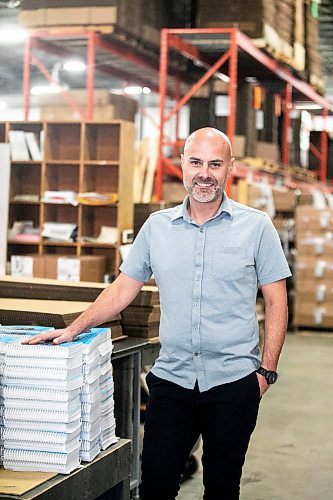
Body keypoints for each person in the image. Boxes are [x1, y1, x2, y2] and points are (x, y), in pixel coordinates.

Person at [25, 127, 291, 499]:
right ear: (182, 163)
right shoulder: (157, 227)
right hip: (173, 381)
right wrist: (74, 328)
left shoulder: (256, 227)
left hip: (234, 382)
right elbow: (122, 288)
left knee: (222, 488)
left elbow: (277, 300)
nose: (205, 173)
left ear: (230, 167)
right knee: (156, 486)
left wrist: (266, 371)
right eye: (196, 162)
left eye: (215, 164)